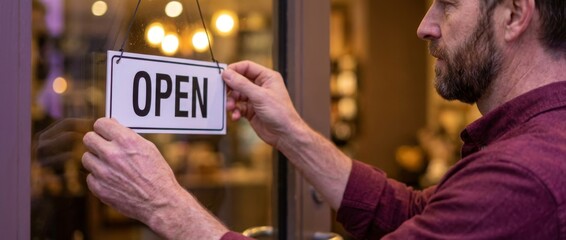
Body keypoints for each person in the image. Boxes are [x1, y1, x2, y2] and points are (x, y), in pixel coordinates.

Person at [82, 0, 566, 239]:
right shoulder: (534, 146)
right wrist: (291, 134)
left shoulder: (525, 176)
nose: (426, 25)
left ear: (514, 15)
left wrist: (166, 207)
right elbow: (419, 214)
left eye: (448, 2)